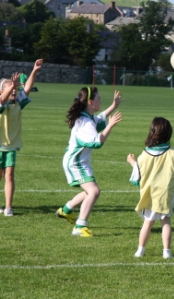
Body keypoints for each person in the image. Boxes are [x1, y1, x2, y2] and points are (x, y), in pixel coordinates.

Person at [55, 87, 123, 237]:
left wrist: (114, 106)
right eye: (99, 99)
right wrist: (110, 126)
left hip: (79, 161)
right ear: (91, 102)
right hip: (75, 162)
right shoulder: (85, 123)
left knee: (89, 191)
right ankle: (79, 227)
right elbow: (97, 142)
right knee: (94, 191)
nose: (101, 101)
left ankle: (65, 210)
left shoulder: (88, 117)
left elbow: (100, 119)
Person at [0, 59, 43, 216]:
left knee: (9, 175)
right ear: (2, 92)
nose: (14, 91)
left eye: (14, 89)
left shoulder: (17, 103)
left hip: (10, 146)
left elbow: (27, 88)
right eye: (10, 88)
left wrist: (34, 70)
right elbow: (3, 98)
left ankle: (9, 206)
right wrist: (13, 86)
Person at [127, 117, 174, 259]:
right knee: (165, 221)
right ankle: (166, 252)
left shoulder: (144, 154)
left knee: (148, 222)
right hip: (166, 194)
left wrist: (132, 162)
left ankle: (140, 250)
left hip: (149, 194)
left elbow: (137, 174)